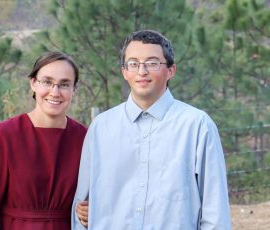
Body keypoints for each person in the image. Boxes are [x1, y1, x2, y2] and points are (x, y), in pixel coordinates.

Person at [72, 30, 232, 229]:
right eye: (133, 63)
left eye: (152, 63)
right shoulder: (101, 128)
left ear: (171, 70)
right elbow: (81, 209)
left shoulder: (197, 126)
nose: (142, 71)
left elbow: (215, 213)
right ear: (124, 71)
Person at [0, 51, 88, 230]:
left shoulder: (85, 138)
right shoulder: (6, 135)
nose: (55, 92)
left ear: (74, 88)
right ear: (33, 83)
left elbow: (94, 200)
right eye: (47, 82)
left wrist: (88, 210)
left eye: (64, 84)